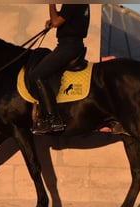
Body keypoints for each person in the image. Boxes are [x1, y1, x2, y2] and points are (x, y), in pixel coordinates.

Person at [30, 4, 90, 135]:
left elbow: (57, 22)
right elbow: (64, 18)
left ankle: (53, 118)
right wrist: (54, 17)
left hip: (68, 46)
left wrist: (51, 4)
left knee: (36, 75)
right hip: (73, 45)